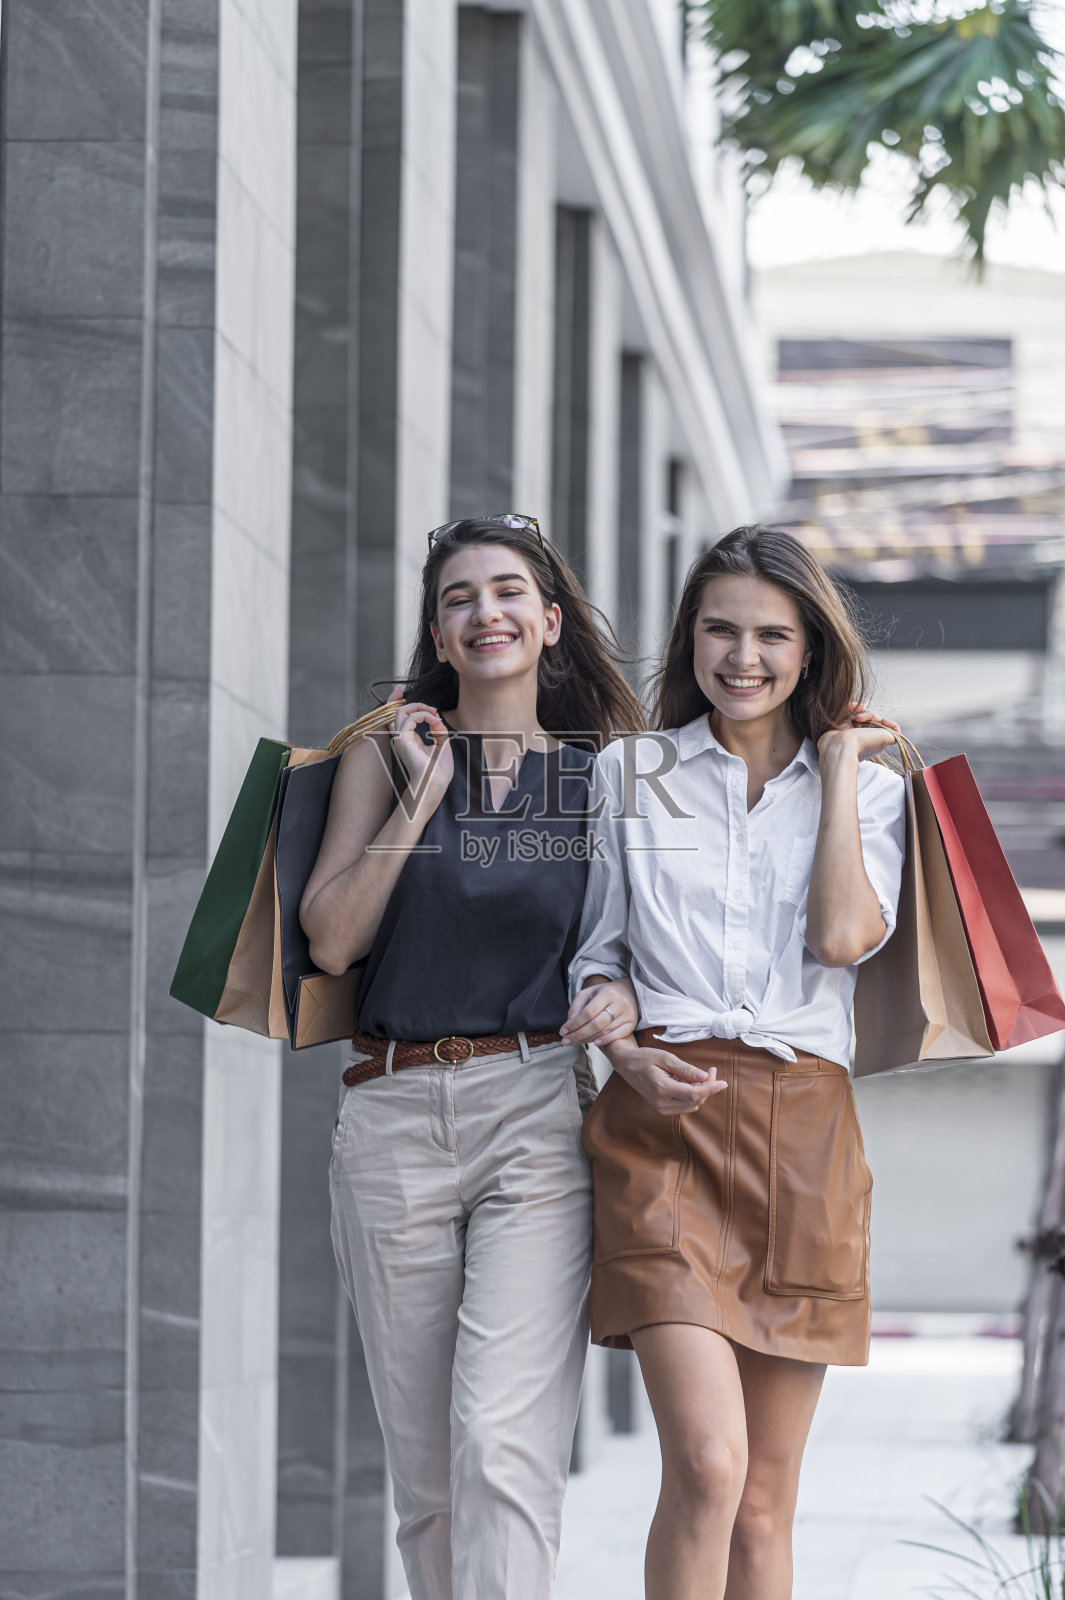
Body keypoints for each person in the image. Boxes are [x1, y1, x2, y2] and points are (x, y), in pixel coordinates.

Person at [300, 514, 643, 1600]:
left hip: (536, 1113)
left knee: (502, 1444)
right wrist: (422, 796)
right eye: (458, 598)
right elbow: (333, 937)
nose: (484, 610)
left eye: (507, 592)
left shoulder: (602, 780)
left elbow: (635, 940)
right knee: (431, 1477)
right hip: (392, 1117)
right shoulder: (381, 755)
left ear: (548, 623)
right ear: (440, 637)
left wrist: (621, 986)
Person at [569, 525, 906, 1600]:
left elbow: (843, 937)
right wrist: (621, 1045)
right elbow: (592, 956)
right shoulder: (632, 771)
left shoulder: (873, 789)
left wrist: (842, 766)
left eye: (772, 633)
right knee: (708, 1466)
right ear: (690, 637)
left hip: (803, 1137)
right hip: (663, 1127)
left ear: (811, 650)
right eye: (721, 628)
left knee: (765, 1502)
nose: (743, 655)